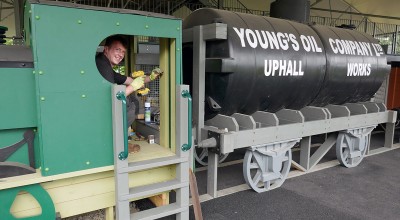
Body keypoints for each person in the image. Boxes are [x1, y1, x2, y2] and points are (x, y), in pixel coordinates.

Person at [96, 35, 161, 127]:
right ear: (106, 49)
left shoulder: (105, 65)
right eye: (117, 50)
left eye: (123, 51)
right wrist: (133, 87)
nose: (121, 55)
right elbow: (111, 98)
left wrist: (150, 77)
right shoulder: (103, 66)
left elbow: (130, 80)